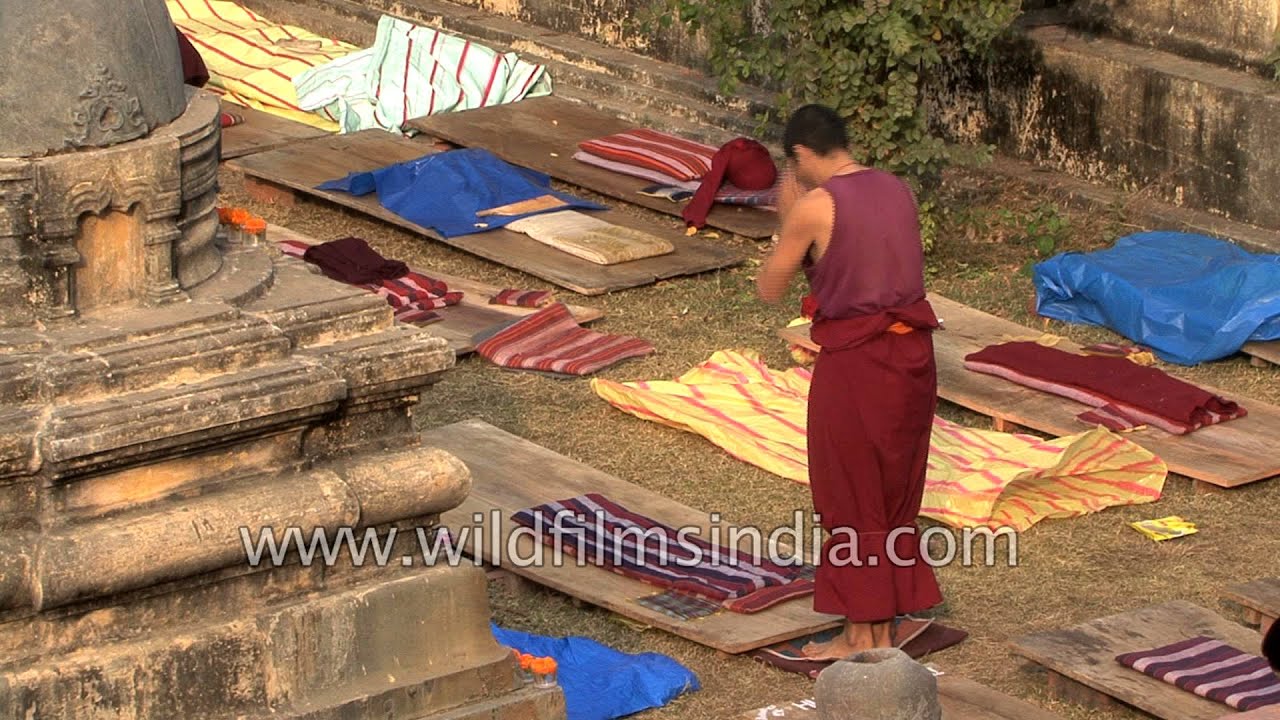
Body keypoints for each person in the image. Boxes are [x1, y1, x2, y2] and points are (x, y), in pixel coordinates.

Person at [756, 104, 943, 659]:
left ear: (802, 155)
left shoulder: (816, 204)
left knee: (850, 491)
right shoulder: (896, 187)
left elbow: (771, 287)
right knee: (892, 492)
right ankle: (884, 625)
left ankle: (862, 634)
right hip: (913, 358)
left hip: (859, 363)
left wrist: (786, 218)